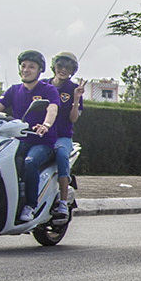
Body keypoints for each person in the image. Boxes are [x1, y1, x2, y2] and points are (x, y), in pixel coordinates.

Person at [0, 51, 61, 223]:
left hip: (42, 142)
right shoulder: (14, 90)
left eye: (31, 67)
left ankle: (30, 205)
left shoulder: (48, 90)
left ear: (39, 70)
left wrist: (46, 125)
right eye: (23, 66)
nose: (26, 70)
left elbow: (52, 109)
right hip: (18, 141)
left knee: (30, 162)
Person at [44, 51, 85, 222]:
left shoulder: (73, 89)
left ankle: (62, 201)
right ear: (54, 66)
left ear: (72, 70)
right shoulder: (42, 85)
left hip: (62, 136)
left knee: (61, 153)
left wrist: (76, 99)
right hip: (41, 135)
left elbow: (73, 118)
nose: (63, 69)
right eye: (60, 65)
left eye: (67, 67)